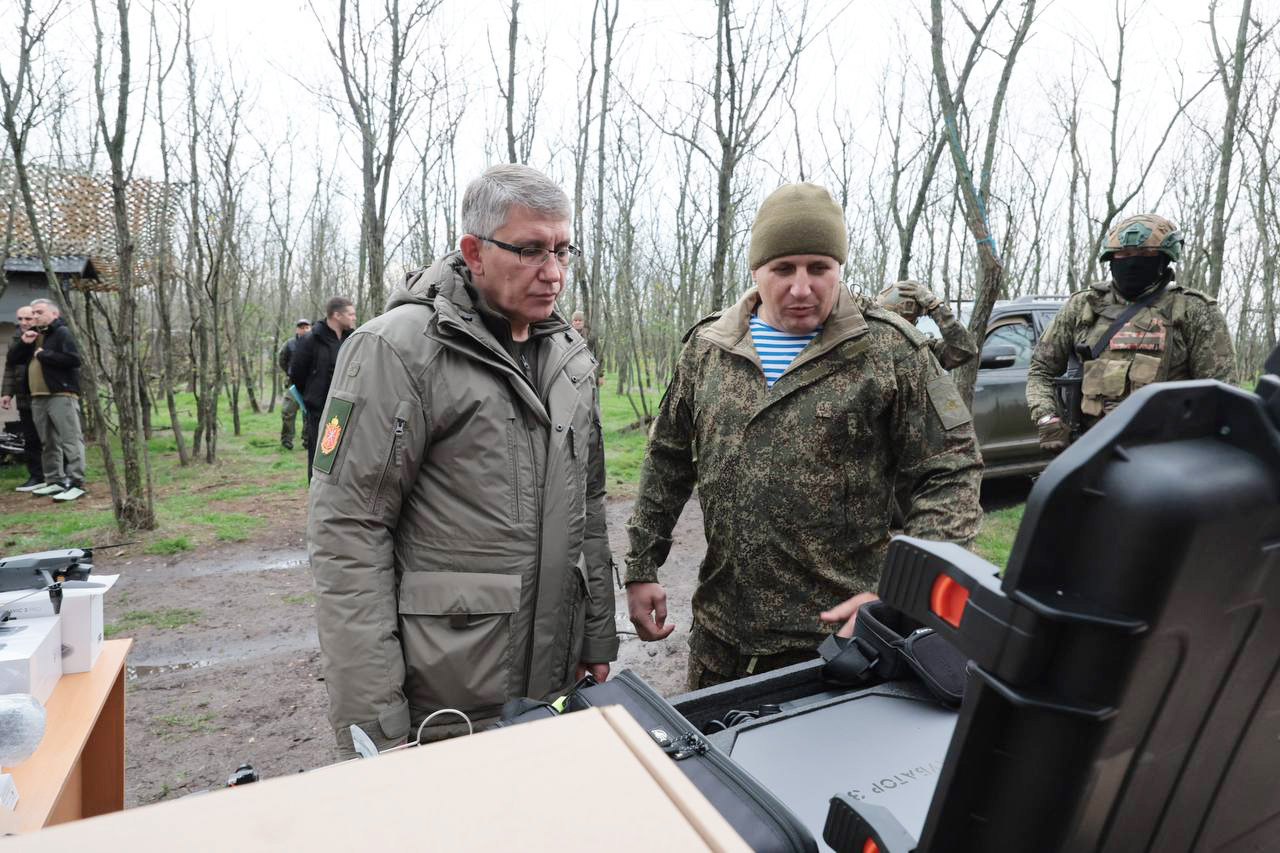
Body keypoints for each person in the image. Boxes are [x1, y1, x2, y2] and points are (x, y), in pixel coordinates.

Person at [307, 164, 618, 756]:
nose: (553, 272)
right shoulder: (397, 350)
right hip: (445, 705)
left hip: (552, 683)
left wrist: (597, 635)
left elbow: (589, 505)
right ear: (474, 252)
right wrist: (375, 727)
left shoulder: (569, 356)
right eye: (530, 250)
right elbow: (348, 531)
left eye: (562, 250)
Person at [624, 182, 984, 690]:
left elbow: (952, 472)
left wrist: (903, 596)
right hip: (720, 641)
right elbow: (667, 459)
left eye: (819, 268)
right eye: (783, 269)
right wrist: (641, 566)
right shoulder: (709, 348)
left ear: (839, 267)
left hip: (839, 648)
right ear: (756, 270)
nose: (801, 288)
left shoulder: (889, 351)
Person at [1026, 214, 1235, 452]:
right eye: (1123, 255)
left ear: (1164, 259)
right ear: (1111, 259)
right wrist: (1047, 417)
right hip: (1092, 448)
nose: (1132, 262)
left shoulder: (1194, 310)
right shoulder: (1082, 306)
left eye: (1145, 254)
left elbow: (1221, 392)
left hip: (1169, 452)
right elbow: (1040, 370)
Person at [7, 298, 87, 501]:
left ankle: (76, 483)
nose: (35, 316)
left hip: (61, 394)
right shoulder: (33, 335)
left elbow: (74, 360)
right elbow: (13, 360)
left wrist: (45, 355)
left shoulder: (62, 332)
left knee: (70, 439)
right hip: (37, 397)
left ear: (54, 314)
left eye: (39, 312)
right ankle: (54, 481)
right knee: (48, 442)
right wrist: (24, 343)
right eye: (33, 312)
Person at [290, 298, 355, 479]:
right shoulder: (311, 339)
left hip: (347, 407)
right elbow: (297, 374)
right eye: (350, 314)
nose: (354, 318)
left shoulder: (352, 339)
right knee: (319, 454)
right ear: (337, 315)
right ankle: (316, 489)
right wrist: (312, 397)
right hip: (319, 409)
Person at [875, 280, 977, 369]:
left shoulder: (918, 349)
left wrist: (934, 306)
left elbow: (965, 349)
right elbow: (965, 349)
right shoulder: (871, 346)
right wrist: (935, 306)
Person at [2, 305, 45, 491]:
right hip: (23, 396)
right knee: (31, 438)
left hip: (44, 394)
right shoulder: (16, 338)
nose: (23, 322)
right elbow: (10, 367)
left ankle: (61, 475)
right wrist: (6, 393)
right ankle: (36, 476)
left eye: (27, 318)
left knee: (50, 437)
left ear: (35, 318)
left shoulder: (45, 336)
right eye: (20, 319)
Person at [277, 318, 311, 450]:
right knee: (287, 411)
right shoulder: (289, 344)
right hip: (294, 384)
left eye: (306, 327)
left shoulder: (316, 344)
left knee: (309, 414)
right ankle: (286, 440)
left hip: (311, 385)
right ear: (297, 329)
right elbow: (282, 359)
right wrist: (290, 372)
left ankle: (308, 440)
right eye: (301, 327)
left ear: (310, 328)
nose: (304, 329)